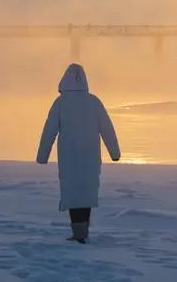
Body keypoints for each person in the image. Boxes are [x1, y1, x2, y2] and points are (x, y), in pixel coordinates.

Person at [36, 63, 121, 243]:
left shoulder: (60, 103)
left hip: (69, 157)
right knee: (86, 192)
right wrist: (114, 152)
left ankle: (78, 233)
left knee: (73, 192)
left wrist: (42, 155)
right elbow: (107, 128)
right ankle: (83, 232)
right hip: (90, 155)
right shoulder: (93, 102)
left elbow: (49, 130)